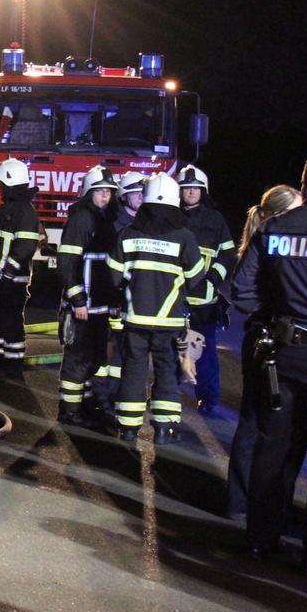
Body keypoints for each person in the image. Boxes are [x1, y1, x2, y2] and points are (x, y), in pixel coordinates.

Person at [231, 156, 307, 573]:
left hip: (282, 352)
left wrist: (273, 315)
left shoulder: (275, 228)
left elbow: (242, 292)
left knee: (274, 444)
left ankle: (260, 541)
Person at [107, 173, 205, 444]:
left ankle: (128, 428)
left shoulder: (127, 234)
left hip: (135, 319)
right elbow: (197, 278)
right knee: (165, 370)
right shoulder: (184, 237)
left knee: (133, 369)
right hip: (170, 321)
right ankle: (164, 429)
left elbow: (114, 277)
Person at [227, 185, 304, 521]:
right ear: (280, 214)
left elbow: (241, 294)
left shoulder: (263, 243)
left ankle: (239, 503)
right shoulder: (273, 243)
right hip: (271, 341)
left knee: (252, 422)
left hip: (257, 339)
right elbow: (241, 293)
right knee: (269, 426)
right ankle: (264, 506)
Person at [55, 166, 120, 425]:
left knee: (95, 357)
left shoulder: (107, 220)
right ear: (88, 193)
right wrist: (77, 300)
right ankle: (69, 412)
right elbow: (67, 264)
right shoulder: (81, 219)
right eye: (100, 192)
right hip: (84, 305)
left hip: (101, 306)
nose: (105, 196)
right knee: (76, 358)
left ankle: (87, 404)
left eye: (108, 192)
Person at [178, 165, 238, 419]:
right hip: (174, 297)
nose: (190, 192)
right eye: (186, 188)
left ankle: (208, 399)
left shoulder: (215, 220)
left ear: (203, 191)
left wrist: (214, 277)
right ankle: (166, 392)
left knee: (205, 352)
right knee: (169, 349)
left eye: (195, 188)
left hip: (204, 299)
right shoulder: (171, 216)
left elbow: (227, 254)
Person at [0, 158, 41, 382]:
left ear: (9, 182)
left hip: (11, 280)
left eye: (0, 183)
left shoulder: (24, 211)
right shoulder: (8, 208)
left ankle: (13, 366)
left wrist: (9, 272)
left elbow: (25, 247)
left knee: (10, 321)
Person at [91, 171, 147, 415]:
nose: (141, 198)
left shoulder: (146, 224)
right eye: (136, 193)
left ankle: (115, 396)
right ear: (124, 196)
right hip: (114, 298)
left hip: (136, 300)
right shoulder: (114, 224)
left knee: (127, 353)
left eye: (144, 193)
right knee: (108, 351)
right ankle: (102, 397)